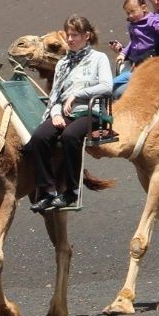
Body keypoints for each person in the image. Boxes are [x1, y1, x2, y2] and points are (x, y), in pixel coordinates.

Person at [24, 16, 113, 211]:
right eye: (69, 35)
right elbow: (55, 94)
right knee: (40, 136)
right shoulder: (63, 64)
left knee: (70, 136)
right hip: (65, 112)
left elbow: (107, 86)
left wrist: (77, 94)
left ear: (86, 35)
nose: (71, 39)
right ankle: (48, 191)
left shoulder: (99, 59)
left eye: (75, 35)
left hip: (91, 111)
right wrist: (55, 113)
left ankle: (71, 190)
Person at [110, 0, 159, 98]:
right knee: (117, 83)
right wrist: (122, 52)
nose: (130, 15)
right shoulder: (133, 24)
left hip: (148, 61)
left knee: (115, 82)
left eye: (133, 11)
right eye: (128, 13)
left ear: (143, 7)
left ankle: (106, 86)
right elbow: (133, 42)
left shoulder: (151, 20)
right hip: (134, 61)